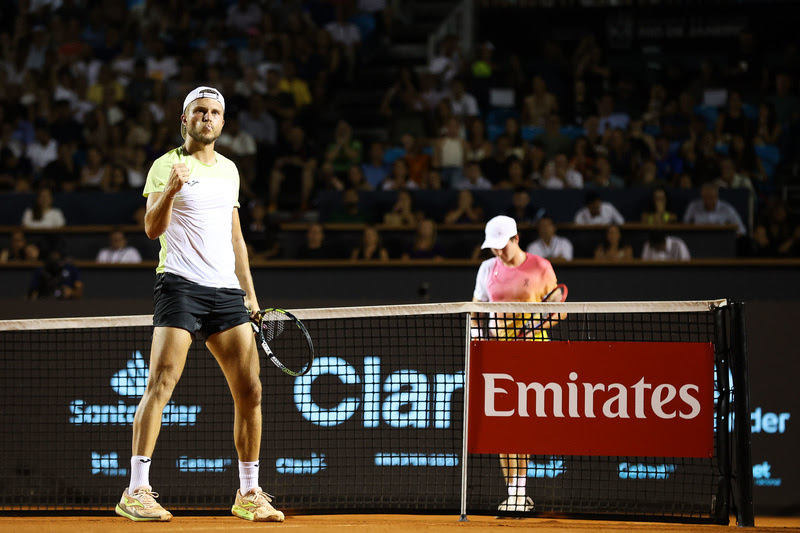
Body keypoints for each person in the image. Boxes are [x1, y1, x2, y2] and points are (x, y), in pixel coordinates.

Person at [116, 87, 284, 523]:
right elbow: (152, 229)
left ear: (223, 122)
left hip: (226, 292)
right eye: (199, 111)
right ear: (185, 118)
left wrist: (250, 295)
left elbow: (235, 238)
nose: (206, 118)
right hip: (180, 287)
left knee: (251, 391)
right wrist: (170, 188)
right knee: (161, 385)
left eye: (214, 112)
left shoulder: (230, 170)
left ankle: (248, 494)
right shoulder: (165, 165)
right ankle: (135, 491)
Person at [472, 215, 561, 513]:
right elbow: (476, 310)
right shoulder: (487, 269)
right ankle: (515, 494)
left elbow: (558, 313)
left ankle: (520, 491)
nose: (498, 252)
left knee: (523, 425)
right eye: (493, 247)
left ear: (516, 239)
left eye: (502, 246)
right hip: (499, 354)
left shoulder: (541, 267)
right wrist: (477, 337)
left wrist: (543, 320)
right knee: (502, 427)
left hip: (535, 354)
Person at [683, 183, 747, 235]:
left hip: (722, 242)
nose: (707, 200)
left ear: (716, 197)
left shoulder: (727, 208)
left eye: (710, 197)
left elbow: (741, 230)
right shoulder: (693, 206)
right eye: (705, 197)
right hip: (699, 239)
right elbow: (685, 226)